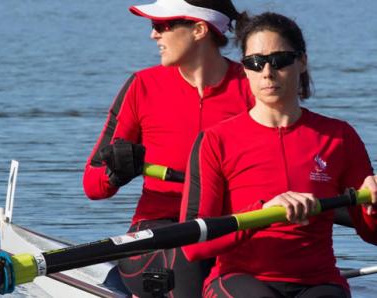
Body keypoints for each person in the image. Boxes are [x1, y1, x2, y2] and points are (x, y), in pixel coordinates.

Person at [180, 12, 377, 298]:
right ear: (245, 69)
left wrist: (373, 209)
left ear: (302, 61)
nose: (267, 72)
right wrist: (262, 213)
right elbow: (193, 245)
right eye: (255, 62)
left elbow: (372, 235)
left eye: (280, 60)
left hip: (319, 281)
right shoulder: (215, 140)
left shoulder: (339, 136)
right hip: (239, 278)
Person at [82, 0, 255, 296]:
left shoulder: (252, 87)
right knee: (185, 256)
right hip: (158, 228)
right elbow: (92, 185)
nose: (154, 35)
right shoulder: (142, 86)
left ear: (200, 30)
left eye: (161, 26)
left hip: (232, 224)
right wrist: (115, 173)